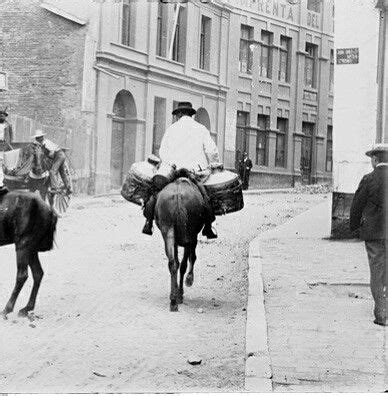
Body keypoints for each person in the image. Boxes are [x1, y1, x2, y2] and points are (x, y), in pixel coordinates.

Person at [142, 101, 220, 239]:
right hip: (195, 172)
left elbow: (163, 151)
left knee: (155, 193)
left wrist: (169, 163)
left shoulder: (171, 129)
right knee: (206, 197)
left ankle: (148, 222)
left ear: (178, 114)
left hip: (173, 171)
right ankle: (208, 227)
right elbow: (211, 150)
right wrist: (213, 165)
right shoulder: (201, 129)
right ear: (191, 115)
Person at [350, 143, 388, 327]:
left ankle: (382, 315)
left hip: (373, 234)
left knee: (377, 271)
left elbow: (357, 205)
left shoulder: (368, 179)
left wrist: (354, 227)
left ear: (375, 159)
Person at [33, 130, 73, 195]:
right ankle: (68, 187)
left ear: (41, 138)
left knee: (52, 171)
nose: (37, 140)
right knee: (62, 172)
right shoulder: (44, 142)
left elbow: (52, 153)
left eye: (38, 138)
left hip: (58, 156)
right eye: (37, 138)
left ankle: (56, 188)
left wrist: (46, 156)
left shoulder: (46, 143)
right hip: (61, 155)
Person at [0, 108, 13, 192]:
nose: (1, 117)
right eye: (0, 115)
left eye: (3, 115)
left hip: (5, 145)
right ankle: (0, 182)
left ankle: (8, 176)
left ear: (5, 117)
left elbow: (11, 136)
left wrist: (9, 144)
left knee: (7, 162)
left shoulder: (8, 125)